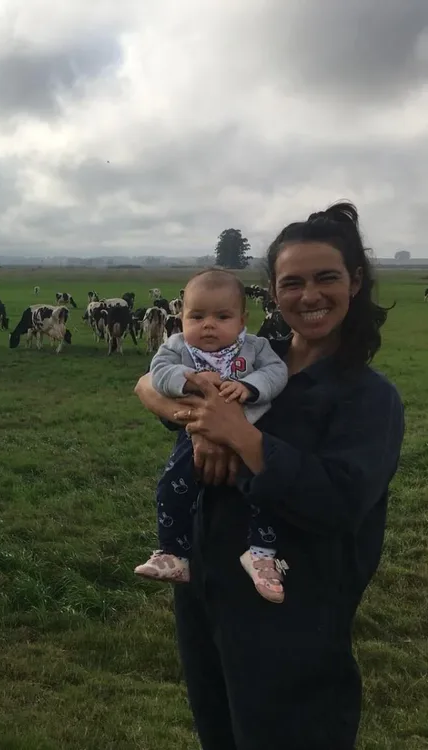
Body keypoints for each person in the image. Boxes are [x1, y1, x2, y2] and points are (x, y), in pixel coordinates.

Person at [133, 201, 405, 750]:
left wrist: (243, 437)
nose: (309, 296)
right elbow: (154, 380)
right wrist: (185, 416)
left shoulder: (367, 397)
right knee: (220, 731)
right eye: (292, 282)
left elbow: (338, 501)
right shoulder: (253, 361)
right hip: (208, 591)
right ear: (271, 294)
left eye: (326, 278)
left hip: (295, 611)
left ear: (354, 282)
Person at [136, 269, 290, 603]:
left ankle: (261, 554)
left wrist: (249, 387)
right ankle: (174, 554)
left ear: (242, 319)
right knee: (171, 488)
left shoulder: (256, 347)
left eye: (222, 316)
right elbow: (156, 373)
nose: (209, 325)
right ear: (181, 316)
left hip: (249, 436)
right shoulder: (178, 347)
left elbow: (277, 372)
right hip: (194, 436)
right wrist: (190, 380)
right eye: (198, 316)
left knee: (263, 493)